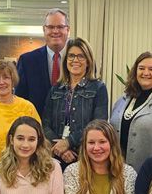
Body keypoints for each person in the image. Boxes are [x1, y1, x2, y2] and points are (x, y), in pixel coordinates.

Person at [43, 37, 108, 166]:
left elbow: (99, 124)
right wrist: (60, 148)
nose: (75, 60)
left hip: (85, 156)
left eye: (81, 56)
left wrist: (68, 142)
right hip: (56, 156)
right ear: (66, 60)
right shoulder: (55, 89)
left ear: (88, 61)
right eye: (71, 56)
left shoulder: (98, 88)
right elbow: (45, 124)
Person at [16, 8, 70, 115]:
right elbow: (20, 100)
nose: (55, 31)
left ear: (67, 30)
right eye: (50, 27)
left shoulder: (80, 61)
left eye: (60, 27)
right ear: (44, 30)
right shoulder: (27, 61)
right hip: (36, 127)